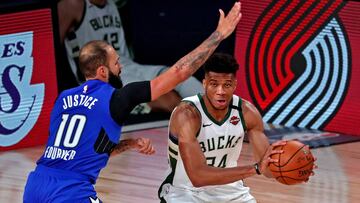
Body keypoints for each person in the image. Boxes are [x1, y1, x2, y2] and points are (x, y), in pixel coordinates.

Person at [23, 2, 242, 202]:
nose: (121, 67)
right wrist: (218, 35)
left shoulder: (63, 99)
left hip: (35, 186)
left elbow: (81, 150)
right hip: (71, 191)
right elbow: (179, 72)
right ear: (102, 71)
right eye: (116, 63)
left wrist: (129, 144)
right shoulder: (117, 98)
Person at [158, 53, 316, 202]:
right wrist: (255, 168)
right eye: (214, 84)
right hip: (185, 192)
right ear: (205, 83)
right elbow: (198, 177)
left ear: (234, 85)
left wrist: (296, 168)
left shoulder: (247, 113)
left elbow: (267, 168)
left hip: (229, 190)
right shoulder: (187, 114)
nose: (220, 91)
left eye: (226, 85)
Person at [57, 0, 204, 113]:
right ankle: (203, 124)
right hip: (107, 77)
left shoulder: (112, 5)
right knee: (168, 100)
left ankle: (221, 115)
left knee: (184, 78)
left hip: (129, 66)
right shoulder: (72, 5)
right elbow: (48, 46)